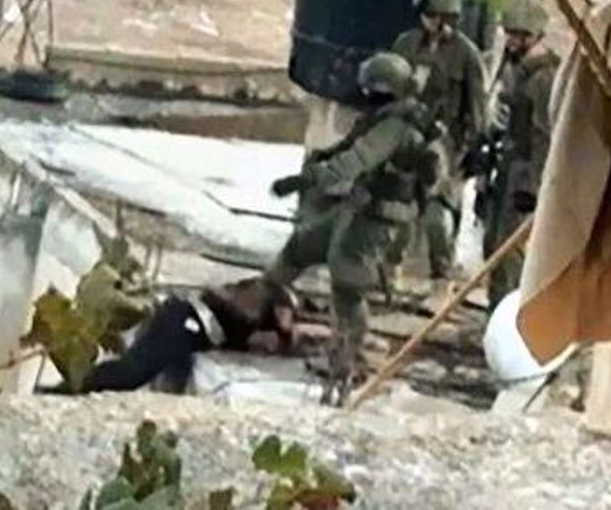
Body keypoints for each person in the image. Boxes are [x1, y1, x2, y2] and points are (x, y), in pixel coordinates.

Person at [265, 52, 440, 406]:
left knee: (347, 290)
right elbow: (346, 149)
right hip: (358, 207)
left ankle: (343, 369)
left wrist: (307, 180)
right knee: (302, 246)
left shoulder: (396, 127)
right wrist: (319, 160)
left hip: (376, 220)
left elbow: (356, 160)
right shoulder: (385, 118)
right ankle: (265, 309)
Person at [387, 0, 489, 287]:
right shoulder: (405, 45)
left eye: (446, 19)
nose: (439, 25)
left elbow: (476, 106)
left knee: (436, 216)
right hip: (406, 138)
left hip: (445, 145)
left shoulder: (466, 55)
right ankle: (389, 268)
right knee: (398, 208)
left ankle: (440, 272)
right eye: (434, 17)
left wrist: (470, 148)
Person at [81, 278, 299, 393]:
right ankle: (78, 384)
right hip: (184, 323)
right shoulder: (257, 304)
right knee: (133, 372)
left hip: (188, 326)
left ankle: (83, 383)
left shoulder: (252, 298)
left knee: (167, 383)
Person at [480, 0, 559, 308]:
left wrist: (533, 188)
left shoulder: (542, 78)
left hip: (526, 172)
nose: (512, 42)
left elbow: (544, 138)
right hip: (507, 165)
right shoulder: (517, 70)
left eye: (519, 36)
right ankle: (495, 311)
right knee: (493, 246)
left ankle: (505, 318)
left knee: (509, 253)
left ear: (534, 37)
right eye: (509, 35)